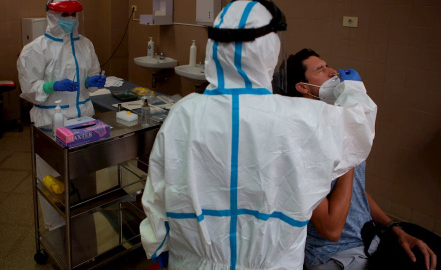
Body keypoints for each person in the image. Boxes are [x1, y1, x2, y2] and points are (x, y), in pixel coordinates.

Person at [139, 1, 377, 269]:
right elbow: (359, 129)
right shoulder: (301, 118)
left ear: (215, 48)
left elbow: (157, 189)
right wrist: (353, 88)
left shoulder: (185, 113)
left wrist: (158, 242)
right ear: (269, 49)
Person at [284, 48, 438, 270]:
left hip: (370, 237)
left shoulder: (336, 124)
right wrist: (349, 148)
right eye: (321, 69)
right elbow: (331, 231)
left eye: (328, 65)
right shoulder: (303, 144)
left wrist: (394, 228)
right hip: (336, 254)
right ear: (303, 87)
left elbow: (356, 192)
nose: (333, 72)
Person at [17, 0, 106, 264]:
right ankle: (56, 233)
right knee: (50, 184)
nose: (69, 19)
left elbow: (90, 76)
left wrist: (92, 81)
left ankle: (84, 223)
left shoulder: (85, 44)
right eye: (63, 14)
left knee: (83, 177)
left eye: (73, 14)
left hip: (83, 120)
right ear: (52, 15)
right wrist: (50, 86)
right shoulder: (34, 50)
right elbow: (29, 88)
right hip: (50, 123)